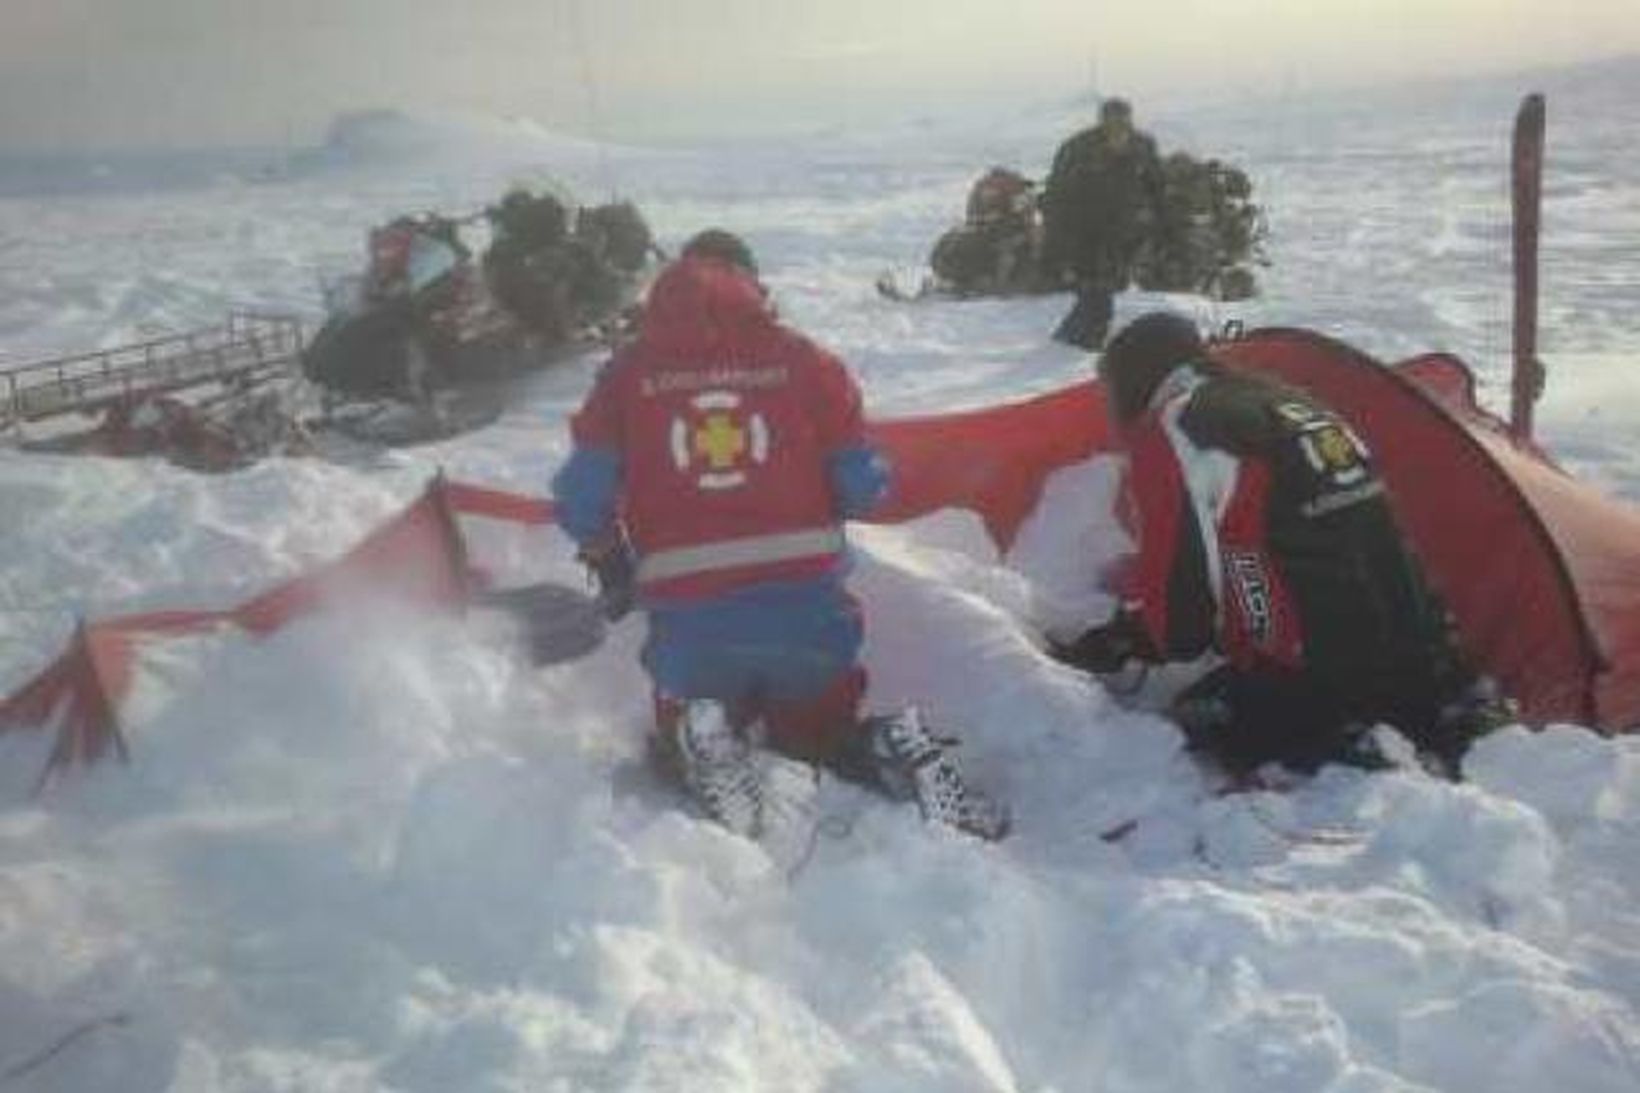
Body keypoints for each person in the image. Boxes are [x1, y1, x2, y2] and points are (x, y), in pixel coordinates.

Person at [552, 229, 1008, 839]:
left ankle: (703, 746)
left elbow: (580, 494)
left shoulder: (626, 375)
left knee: (687, 726)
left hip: (692, 629)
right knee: (819, 736)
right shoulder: (805, 360)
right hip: (809, 618)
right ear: (750, 282)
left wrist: (607, 552)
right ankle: (884, 745)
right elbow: (862, 487)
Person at [1054, 311, 1508, 777]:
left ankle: (1348, 748)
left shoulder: (1177, 424)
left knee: (1199, 715)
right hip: (1429, 658)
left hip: (1317, 676)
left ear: (1135, 378)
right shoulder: (1294, 403)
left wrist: (1128, 639)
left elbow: (1181, 619)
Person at [1040, 97, 1165, 349]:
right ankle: (1084, 340)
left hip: (1123, 230)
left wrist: (1155, 219)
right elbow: (1056, 193)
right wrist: (1057, 236)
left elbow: (1156, 186)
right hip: (1083, 229)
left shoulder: (1143, 146)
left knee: (1107, 286)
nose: (1118, 129)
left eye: (1123, 122)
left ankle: (1072, 337)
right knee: (1096, 286)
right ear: (1102, 122)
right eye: (1112, 122)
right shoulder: (1078, 147)